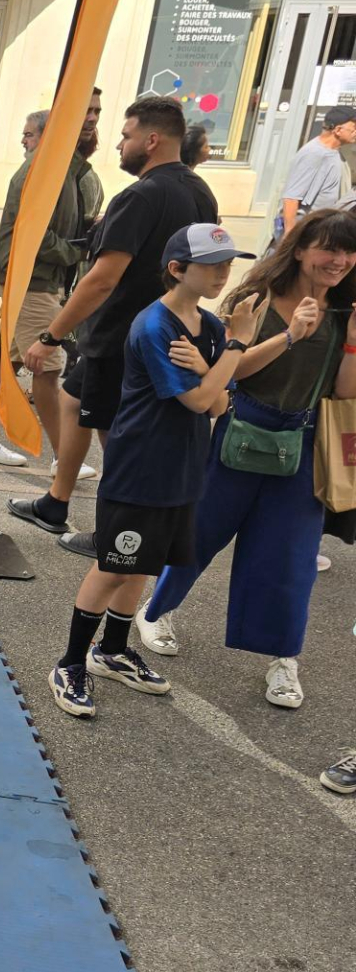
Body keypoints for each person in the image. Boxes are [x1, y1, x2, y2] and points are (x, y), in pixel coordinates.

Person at [137, 209, 356, 709]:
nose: (340, 260)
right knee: (200, 533)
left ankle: (284, 660)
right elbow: (226, 373)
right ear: (300, 249)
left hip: (304, 442)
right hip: (242, 428)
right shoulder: (254, 302)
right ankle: (156, 610)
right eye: (329, 248)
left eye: (348, 252)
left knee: (291, 556)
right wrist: (290, 336)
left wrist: (352, 339)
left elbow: (345, 392)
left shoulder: (345, 311)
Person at [47, 225, 258, 719]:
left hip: (184, 467)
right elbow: (202, 398)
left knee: (147, 563)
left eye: (228, 264)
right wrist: (234, 350)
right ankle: (71, 661)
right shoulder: (155, 326)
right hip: (141, 465)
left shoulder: (210, 327)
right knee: (112, 565)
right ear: (177, 269)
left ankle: (113, 651)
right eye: (212, 265)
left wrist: (213, 366)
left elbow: (218, 405)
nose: (223, 274)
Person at [11, 97, 218, 553]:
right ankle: (55, 503)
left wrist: (50, 335)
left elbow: (103, 279)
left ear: (151, 139)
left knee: (119, 439)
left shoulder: (141, 194)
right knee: (73, 399)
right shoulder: (199, 190)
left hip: (123, 335)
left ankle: (118, 535)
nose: (119, 145)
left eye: (125, 137)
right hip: (162, 326)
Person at [0, 105, 99, 468]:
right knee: (48, 367)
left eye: (29, 134)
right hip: (33, 279)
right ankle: (63, 457)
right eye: (87, 112)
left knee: (7, 363)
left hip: (32, 277)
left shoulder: (61, 169)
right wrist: (77, 250)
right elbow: (34, 235)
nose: (23, 140)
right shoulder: (44, 170)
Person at [273, 106, 354, 244]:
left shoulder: (334, 152)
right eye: (354, 129)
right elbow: (291, 198)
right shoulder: (314, 154)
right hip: (307, 233)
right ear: (338, 130)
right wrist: (290, 236)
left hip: (326, 229)